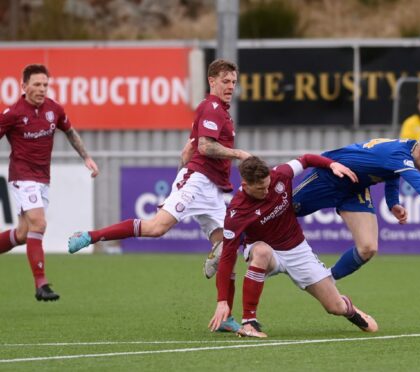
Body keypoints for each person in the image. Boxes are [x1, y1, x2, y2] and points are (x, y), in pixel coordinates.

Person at [67, 59, 251, 330]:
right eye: (225, 81)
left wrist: (184, 164)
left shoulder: (221, 112)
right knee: (155, 228)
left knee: (229, 247)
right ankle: (89, 236)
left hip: (213, 188)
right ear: (212, 81)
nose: (230, 87)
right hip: (198, 181)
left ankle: (226, 317)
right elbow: (204, 146)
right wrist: (238, 154)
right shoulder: (211, 107)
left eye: (234, 82)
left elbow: (189, 148)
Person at [208, 156, 378, 338]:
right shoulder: (236, 212)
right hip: (266, 251)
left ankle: (348, 307)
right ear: (245, 185)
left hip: (297, 250)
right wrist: (222, 301)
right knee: (262, 252)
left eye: (268, 185)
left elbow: (306, 159)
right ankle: (249, 322)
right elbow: (227, 257)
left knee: (335, 307)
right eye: (260, 189)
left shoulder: (281, 174)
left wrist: (332, 164)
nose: (267, 191)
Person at [291, 125, 420, 281]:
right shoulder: (399, 154)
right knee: (283, 211)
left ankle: (327, 280)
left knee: (368, 247)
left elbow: (392, 174)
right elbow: (419, 183)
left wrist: (392, 203)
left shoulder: (409, 150)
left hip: (355, 188)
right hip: (330, 177)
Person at [0, 64, 99, 301]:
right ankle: (41, 284)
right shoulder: (12, 113)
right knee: (39, 223)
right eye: (36, 84)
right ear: (23, 86)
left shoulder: (54, 109)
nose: (42, 89)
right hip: (22, 177)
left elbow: (70, 132)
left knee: (24, 233)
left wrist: (86, 157)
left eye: (45, 84)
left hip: (43, 178)